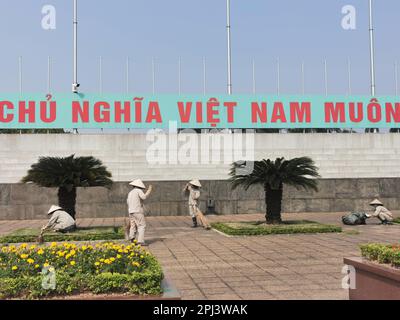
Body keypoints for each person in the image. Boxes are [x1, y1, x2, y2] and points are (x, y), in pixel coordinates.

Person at [127, 179, 153, 245]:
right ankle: (140, 241)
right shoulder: (138, 190)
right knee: (142, 225)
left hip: (131, 211)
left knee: (133, 225)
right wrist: (149, 190)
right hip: (137, 211)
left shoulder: (130, 192)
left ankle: (131, 238)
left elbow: (128, 202)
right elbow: (143, 197)